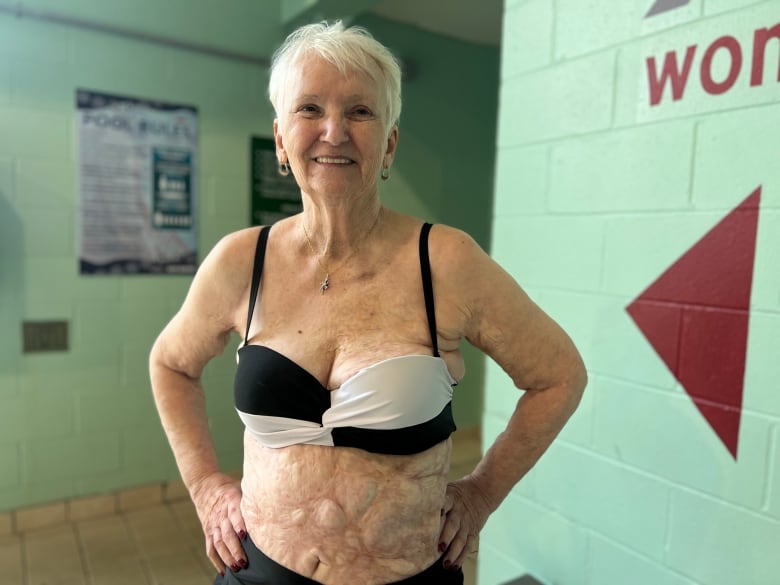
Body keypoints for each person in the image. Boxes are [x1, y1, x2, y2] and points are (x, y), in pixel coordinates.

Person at [149, 20, 587, 585]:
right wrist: (207, 487)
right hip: (259, 572)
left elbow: (559, 376)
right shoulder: (241, 263)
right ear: (281, 139)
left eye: (360, 111)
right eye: (309, 109)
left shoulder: (445, 262)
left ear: (389, 143)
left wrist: (480, 495)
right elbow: (171, 364)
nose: (334, 131)